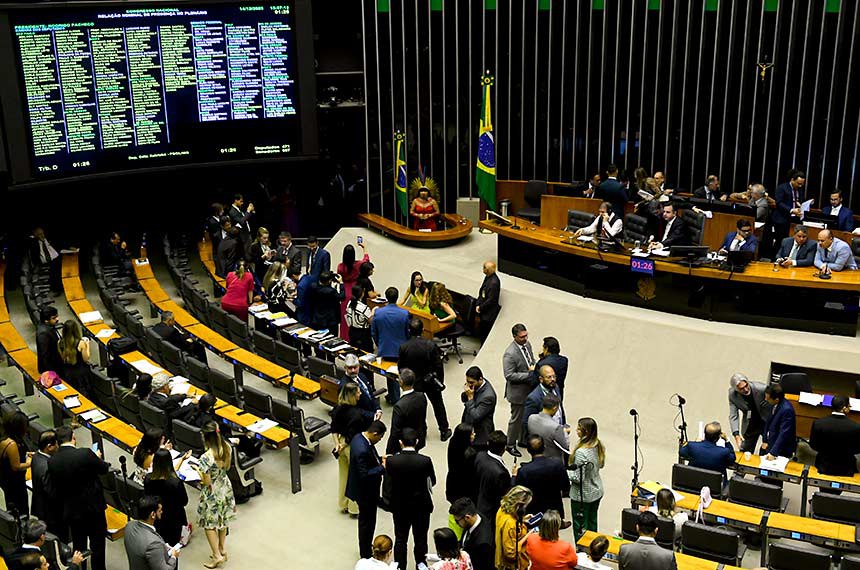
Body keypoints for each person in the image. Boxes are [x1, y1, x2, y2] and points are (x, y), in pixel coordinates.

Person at [48, 426, 110, 570]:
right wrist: (97, 458)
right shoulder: (85, 454)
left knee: (79, 546)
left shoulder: (52, 461)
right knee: (97, 545)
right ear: (73, 438)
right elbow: (104, 469)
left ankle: (78, 568)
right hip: (93, 509)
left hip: (72, 510)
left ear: (57, 442)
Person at [386, 427, 436, 570]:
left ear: (400, 442)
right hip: (421, 506)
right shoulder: (425, 461)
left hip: (400, 506)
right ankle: (421, 564)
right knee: (421, 539)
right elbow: (432, 481)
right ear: (417, 441)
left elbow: (388, 484)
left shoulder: (392, 461)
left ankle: (400, 566)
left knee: (400, 539)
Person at [193, 422, 236, 569]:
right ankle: (222, 548)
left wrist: (198, 471)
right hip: (225, 487)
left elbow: (206, 482)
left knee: (209, 525)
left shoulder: (206, 457)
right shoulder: (227, 447)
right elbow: (227, 468)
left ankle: (217, 555)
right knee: (222, 520)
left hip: (212, 492)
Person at [399, 318, 450, 440]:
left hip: (414, 382)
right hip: (431, 381)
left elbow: (401, 367)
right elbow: (438, 365)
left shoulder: (404, 347)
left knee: (418, 408)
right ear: (422, 330)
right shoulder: (430, 345)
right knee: (438, 405)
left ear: (409, 331)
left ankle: (422, 430)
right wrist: (439, 382)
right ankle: (444, 430)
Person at [346, 420, 388, 559]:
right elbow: (364, 474)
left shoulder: (358, 437)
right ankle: (365, 553)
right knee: (367, 524)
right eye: (380, 437)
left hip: (364, 490)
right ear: (375, 433)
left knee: (366, 522)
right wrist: (382, 468)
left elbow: (368, 460)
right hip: (365, 493)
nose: (379, 440)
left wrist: (379, 459)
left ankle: (365, 546)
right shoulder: (362, 450)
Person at [331, 382, 372, 517]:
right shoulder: (357, 414)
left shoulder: (337, 408)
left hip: (340, 444)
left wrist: (338, 445)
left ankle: (343, 504)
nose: (360, 394)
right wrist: (344, 445)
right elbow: (352, 434)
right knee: (354, 477)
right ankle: (354, 508)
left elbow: (334, 429)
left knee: (343, 475)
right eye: (358, 392)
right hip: (352, 446)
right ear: (352, 396)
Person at [514, 435, 569, 517]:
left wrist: (514, 476)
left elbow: (519, 495)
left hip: (534, 514)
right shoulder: (558, 464)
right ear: (544, 447)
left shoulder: (524, 471)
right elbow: (566, 487)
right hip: (554, 512)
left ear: (528, 450)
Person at [503, 324, 537, 457]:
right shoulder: (510, 354)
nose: (525, 338)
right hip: (518, 393)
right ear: (514, 337)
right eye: (522, 337)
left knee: (526, 417)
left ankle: (522, 440)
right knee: (516, 420)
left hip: (529, 389)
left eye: (526, 335)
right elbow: (509, 375)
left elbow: (531, 360)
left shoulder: (527, 345)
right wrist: (529, 375)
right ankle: (510, 444)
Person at [371, 287, 410, 404]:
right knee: (399, 373)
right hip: (401, 348)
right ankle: (396, 396)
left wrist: (379, 344)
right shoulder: (404, 313)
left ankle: (394, 397)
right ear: (397, 297)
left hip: (385, 347)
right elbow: (408, 332)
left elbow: (374, 332)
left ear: (386, 298)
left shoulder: (378, 313)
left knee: (389, 373)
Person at [568, 417, 605, 538]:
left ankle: (581, 548)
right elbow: (601, 464)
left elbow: (578, 478)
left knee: (579, 527)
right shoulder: (598, 444)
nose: (576, 430)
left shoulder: (581, 452)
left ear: (586, 432)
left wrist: (566, 472)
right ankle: (594, 545)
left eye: (579, 428)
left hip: (582, 496)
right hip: (596, 490)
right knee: (592, 523)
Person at [144, 450, 189, 545]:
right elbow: (184, 501)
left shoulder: (148, 478)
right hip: (174, 520)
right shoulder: (175, 482)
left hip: (156, 518)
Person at [123, 496, 179, 570]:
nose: (162, 512)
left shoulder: (129, 525)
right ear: (152, 514)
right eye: (159, 510)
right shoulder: (154, 544)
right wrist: (174, 557)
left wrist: (162, 547)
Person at [809, 395, 860, 476]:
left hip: (824, 465)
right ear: (844, 408)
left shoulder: (818, 423)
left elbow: (813, 445)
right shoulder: (855, 427)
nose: (850, 408)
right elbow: (857, 449)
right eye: (849, 406)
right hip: (846, 468)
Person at [5, 518, 83, 570]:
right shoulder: (38, 560)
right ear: (42, 537)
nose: (47, 565)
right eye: (45, 564)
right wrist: (74, 564)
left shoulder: (11, 554)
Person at [386, 369, 428, 455]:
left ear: (401, 382)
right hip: (418, 437)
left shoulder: (399, 406)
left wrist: (390, 451)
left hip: (405, 443)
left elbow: (395, 432)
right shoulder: (421, 396)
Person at [474, 431, 513, 524]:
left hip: (478, 498)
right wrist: (514, 476)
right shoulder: (501, 473)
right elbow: (506, 492)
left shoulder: (479, 455)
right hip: (490, 508)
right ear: (504, 448)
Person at [728, 373, 773, 453]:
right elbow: (734, 415)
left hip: (766, 421)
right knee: (745, 450)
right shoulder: (732, 395)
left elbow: (775, 403)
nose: (746, 389)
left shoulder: (762, 388)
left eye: (746, 386)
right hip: (750, 423)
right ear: (736, 389)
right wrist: (736, 435)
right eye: (741, 389)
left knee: (768, 449)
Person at [0, 411, 33, 516]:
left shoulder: (8, 437)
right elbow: (16, 466)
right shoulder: (11, 444)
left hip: (9, 480)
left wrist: (27, 454)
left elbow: (16, 455)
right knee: (20, 508)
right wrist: (29, 462)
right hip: (14, 482)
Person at [30, 431, 62, 539]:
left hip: (40, 506)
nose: (58, 446)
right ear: (49, 446)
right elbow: (52, 492)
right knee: (56, 537)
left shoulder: (36, 456)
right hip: (51, 512)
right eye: (56, 444)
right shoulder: (46, 467)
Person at [337, 242, 370, 341]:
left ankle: (344, 337)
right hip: (356, 289)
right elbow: (366, 260)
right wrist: (364, 248)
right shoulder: (358, 265)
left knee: (345, 317)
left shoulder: (340, 267)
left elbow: (339, 277)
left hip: (345, 291)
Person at [450, 498, 494, 570]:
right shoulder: (475, 517)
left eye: (457, 521)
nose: (456, 524)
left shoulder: (482, 543)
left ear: (467, 517)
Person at [494, 486, 532, 570]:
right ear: (519, 505)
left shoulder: (502, 509)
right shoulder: (510, 524)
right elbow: (511, 554)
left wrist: (522, 519)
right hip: (513, 566)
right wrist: (528, 535)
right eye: (525, 505)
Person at [527, 395, 569, 464]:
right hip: (553, 462)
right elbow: (565, 446)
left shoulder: (531, 418)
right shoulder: (556, 427)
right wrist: (565, 432)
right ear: (555, 408)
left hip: (536, 458)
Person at [523, 365, 564, 436]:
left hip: (558, 431)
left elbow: (560, 408)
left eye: (554, 376)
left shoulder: (556, 387)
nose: (552, 379)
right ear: (541, 379)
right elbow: (526, 423)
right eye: (549, 377)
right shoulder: (534, 398)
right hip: (545, 437)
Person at [341, 353, 383, 422]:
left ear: (359, 366)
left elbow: (370, 395)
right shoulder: (345, 386)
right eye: (350, 368)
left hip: (371, 414)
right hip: (360, 420)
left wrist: (378, 409)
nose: (353, 370)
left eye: (355, 367)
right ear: (345, 367)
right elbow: (351, 409)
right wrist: (373, 416)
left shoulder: (362, 376)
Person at [461, 366, 497, 447]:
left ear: (480, 379)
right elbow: (463, 399)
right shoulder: (474, 385)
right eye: (467, 381)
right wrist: (466, 394)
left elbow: (476, 416)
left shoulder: (488, 396)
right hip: (468, 425)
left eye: (471, 382)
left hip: (480, 432)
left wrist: (470, 398)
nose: (468, 384)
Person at [771, 169, 807, 250]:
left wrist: (800, 205)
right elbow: (779, 203)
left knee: (792, 242)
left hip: (794, 220)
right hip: (782, 219)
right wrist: (791, 210)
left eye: (802, 184)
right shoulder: (782, 188)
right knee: (780, 241)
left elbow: (798, 200)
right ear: (792, 180)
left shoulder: (800, 189)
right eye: (798, 183)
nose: (800, 186)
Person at [761, 384, 797, 460]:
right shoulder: (774, 403)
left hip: (781, 449)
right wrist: (764, 440)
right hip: (770, 442)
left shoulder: (787, 410)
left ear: (776, 399)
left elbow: (783, 434)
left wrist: (773, 453)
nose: (765, 400)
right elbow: (768, 422)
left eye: (768, 398)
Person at [446, 423, 477, 504]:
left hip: (452, 482)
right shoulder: (470, 453)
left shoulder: (453, 442)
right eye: (472, 434)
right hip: (465, 486)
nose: (474, 435)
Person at [57, 320, 90, 396]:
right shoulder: (81, 343)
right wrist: (87, 345)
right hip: (81, 374)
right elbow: (86, 359)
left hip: (67, 373)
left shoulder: (59, 342)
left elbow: (62, 358)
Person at [27, 227, 63, 294]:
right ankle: (57, 289)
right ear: (36, 235)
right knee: (55, 267)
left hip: (56, 258)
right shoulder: (34, 243)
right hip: (45, 262)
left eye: (43, 233)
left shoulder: (49, 239)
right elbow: (28, 240)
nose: (42, 235)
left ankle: (62, 286)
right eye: (40, 234)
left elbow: (60, 245)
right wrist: (34, 238)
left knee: (61, 263)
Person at [310, 270, 345, 335]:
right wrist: (341, 283)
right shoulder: (331, 291)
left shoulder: (314, 286)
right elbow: (342, 297)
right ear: (329, 281)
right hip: (330, 320)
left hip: (318, 318)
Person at [476, 261, 501, 340]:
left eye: (484, 268)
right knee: (481, 332)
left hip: (488, 314)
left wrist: (480, 307)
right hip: (483, 310)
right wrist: (478, 304)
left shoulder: (494, 283)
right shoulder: (488, 277)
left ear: (487, 270)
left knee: (485, 334)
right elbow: (482, 292)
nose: (483, 269)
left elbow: (491, 300)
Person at [346, 284, 374, 352]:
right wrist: (373, 311)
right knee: (365, 353)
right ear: (362, 293)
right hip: (363, 335)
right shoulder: (364, 308)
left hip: (352, 331)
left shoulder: (349, 303)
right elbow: (371, 321)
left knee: (354, 352)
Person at [36, 306, 62, 374]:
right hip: (51, 368)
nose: (57, 319)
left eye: (57, 316)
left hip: (55, 362)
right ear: (46, 320)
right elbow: (45, 355)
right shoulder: (43, 334)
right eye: (54, 318)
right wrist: (51, 374)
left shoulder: (48, 326)